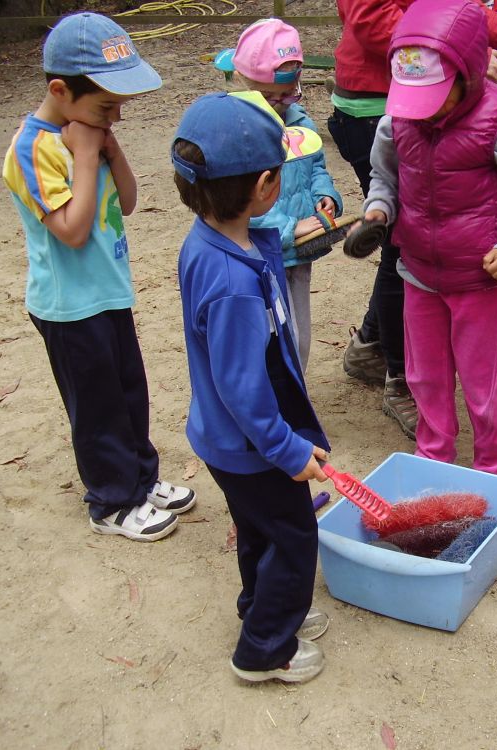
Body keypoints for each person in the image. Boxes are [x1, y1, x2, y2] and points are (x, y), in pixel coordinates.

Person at [2, 13, 194, 542]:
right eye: (106, 107)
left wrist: (110, 150)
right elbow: (71, 229)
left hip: (108, 294)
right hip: (69, 307)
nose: (116, 118)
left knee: (130, 392)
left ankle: (141, 480)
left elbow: (127, 204)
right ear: (60, 91)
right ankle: (111, 502)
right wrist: (85, 158)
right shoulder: (33, 149)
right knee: (98, 407)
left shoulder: (93, 136)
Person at [360, 0, 497, 477]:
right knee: (424, 377)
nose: (424, 112)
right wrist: (379, 207)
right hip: (419, 273)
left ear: (468, 75)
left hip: (481, 279)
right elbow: (383, 175)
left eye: (436, 97)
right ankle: (435, 458)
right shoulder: (399, 119)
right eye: (415, 99)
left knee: (485, 384)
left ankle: (494, 469)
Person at [172, 91, 332, 683]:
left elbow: (265, 241)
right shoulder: (233, 284)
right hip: (251, 445)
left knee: (262, 533)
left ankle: (259, 609)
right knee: (293, 535)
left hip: (229, 440)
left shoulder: (212, 238)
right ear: (266, 184)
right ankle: (265, 648)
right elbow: (242, 387)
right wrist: (287, 450)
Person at [215, 19, 343, 371]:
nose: (284, 103)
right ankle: (276, 408)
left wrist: (325, 195)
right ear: (244, 85)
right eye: (273, 97)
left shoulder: (299, 120)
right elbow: (239, 200)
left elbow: (315, 165)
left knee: (300, 337)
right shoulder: (239, 132)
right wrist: (289, 228)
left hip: (299, 253)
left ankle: (294, 402)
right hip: (262, 254)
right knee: (274, 338)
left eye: (291, 93)